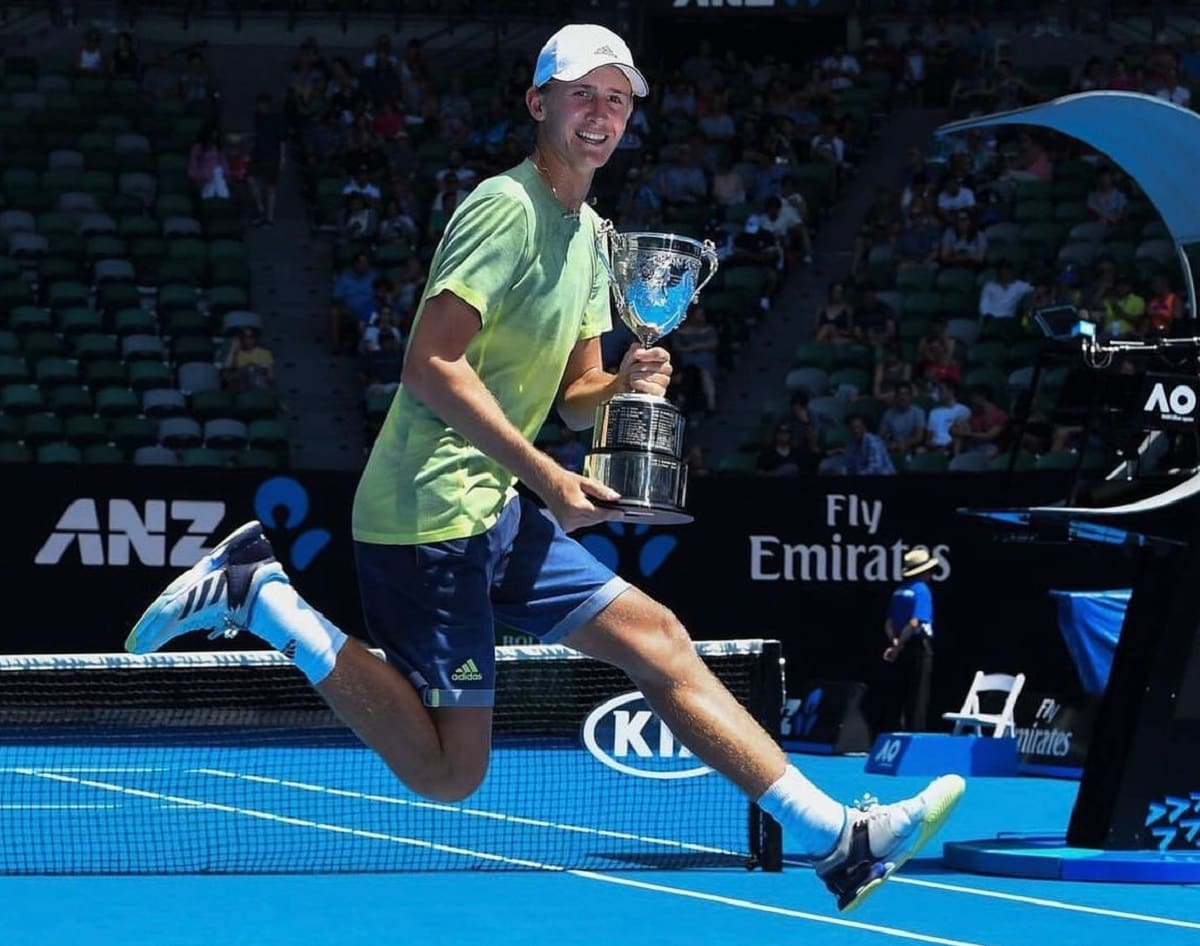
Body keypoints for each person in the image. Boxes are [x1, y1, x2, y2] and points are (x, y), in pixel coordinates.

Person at [125, 23, 962, 914]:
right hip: (428, 515)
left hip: (495, 508)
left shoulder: (595, 236)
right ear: (539, 104)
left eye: (616, 99)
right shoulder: (505, 208)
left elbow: (574, 394)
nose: (600, 114)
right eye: (581, 95)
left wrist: (625, 386)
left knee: (660, 641)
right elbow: (430, 365)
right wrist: (548, 478)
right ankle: (264, 597)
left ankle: (835, 838)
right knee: (452, 774)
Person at [882, 548, 940, 732]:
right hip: (917, 647)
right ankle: (914, 740)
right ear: (923, 571)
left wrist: (895, 644)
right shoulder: (922, 590)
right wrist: (901, 646)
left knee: (899, 693)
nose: (931, 574)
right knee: (918, 697)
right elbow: (915, 623)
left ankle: (896, 733)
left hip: (900, 644)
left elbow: (889, 623)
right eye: (929, 570)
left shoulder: (899, 591)